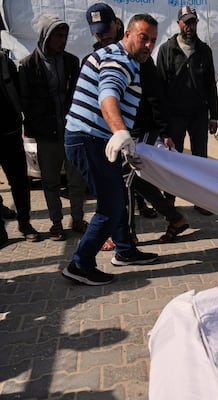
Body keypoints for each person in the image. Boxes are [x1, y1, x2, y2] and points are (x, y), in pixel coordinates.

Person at [62, 14, 159, 286]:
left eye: (153, 40)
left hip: (96, 139)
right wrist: (120, 131)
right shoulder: (118, 61)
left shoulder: (124, 58)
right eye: (143, 38)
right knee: (112, 205)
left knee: (119, 199)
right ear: (126, 34)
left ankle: (125, 250)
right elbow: (108, 96)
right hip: (89, 139)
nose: (149, 45)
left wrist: (120, 136)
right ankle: (80, 264)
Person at [84, 3, 189, 247]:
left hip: (143, 129)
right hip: (121, 131)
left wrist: (164, 131)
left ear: (120, 29)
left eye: (106, 31)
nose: (103, 36)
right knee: (135, 178)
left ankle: (126, 236)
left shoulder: (142, 58)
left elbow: (155, 97)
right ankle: (175, 218)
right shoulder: (101, 56)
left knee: (126, 180)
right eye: (98, 33)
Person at [19, 15, 89, 241]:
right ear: (45, 36)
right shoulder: (28, 65)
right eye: (58, 35)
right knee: (50, 182)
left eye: (65, 35)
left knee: (76, 180)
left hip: (71, 132)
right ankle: (56, 223)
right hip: (46, 135)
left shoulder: (71, 62)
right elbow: (25, 102)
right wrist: (32, 128)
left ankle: (77, 219)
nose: (63, 40)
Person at [156, 6, 218, 214]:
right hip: (175, 115)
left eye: (193, 22)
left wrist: (214, 116)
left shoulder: (204, 51)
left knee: (200, 159)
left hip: (199, 114)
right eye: (186, 22)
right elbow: (160, 87)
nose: (190, 26)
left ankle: (201, 201)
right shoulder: (167, 50)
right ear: (179, 23)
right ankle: (169, 202)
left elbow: (211, 85)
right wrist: (162, 122)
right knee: (173, 158)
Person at [0, 35, 41, 243]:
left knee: (20, 181)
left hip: (10, 132)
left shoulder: (5, 63)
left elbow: (21, 94)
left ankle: (25, 223)